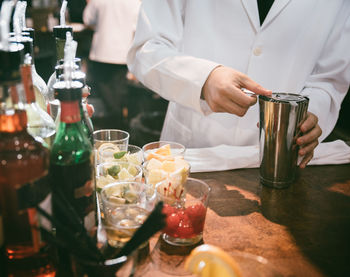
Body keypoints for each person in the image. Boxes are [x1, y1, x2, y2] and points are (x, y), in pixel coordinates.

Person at [127, 0, 350, 168]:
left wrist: (312, 112)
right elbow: (147, 47)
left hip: (280, 161)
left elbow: (329, 78)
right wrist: (202, 79)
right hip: (195, 153)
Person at [83, 0, 141, 128]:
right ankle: (118, 129)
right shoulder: (135, 2)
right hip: (121, 55)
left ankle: (100, 130)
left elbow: (88, 19)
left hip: (101, 53)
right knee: (118, 97)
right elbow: (137, 29)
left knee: (98, 97)